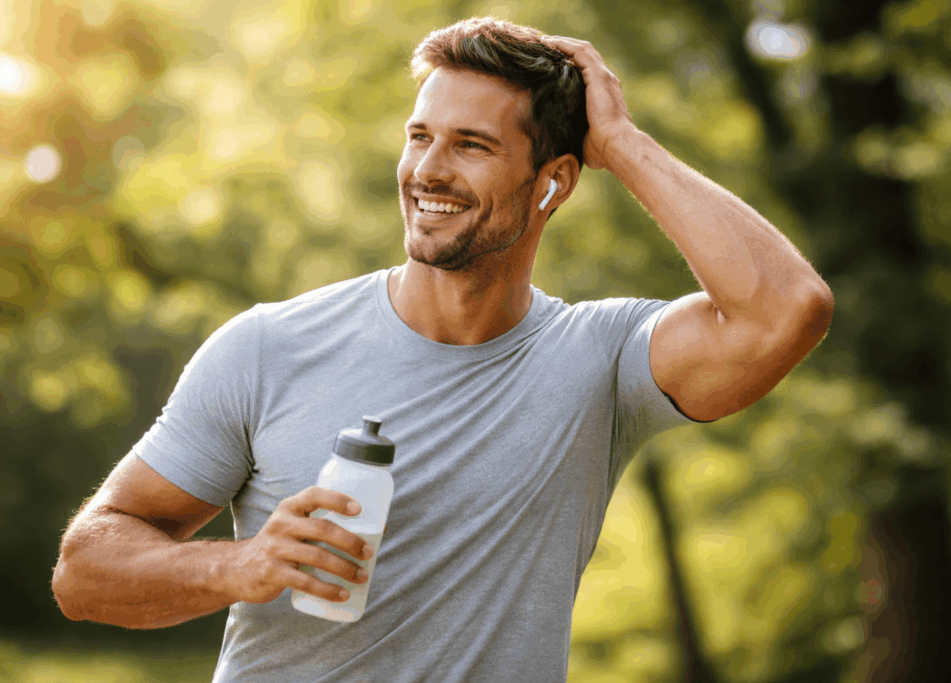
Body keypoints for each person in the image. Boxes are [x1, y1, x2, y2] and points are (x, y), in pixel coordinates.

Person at [52, 17, 833, 683]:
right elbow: (85, 571)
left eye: (470, 145)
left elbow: (786, 310)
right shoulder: (269, 346)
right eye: (420, 136)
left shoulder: (601, 361)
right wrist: (239, 565)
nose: (427, 169)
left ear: (552, 184)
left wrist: (620, 143)